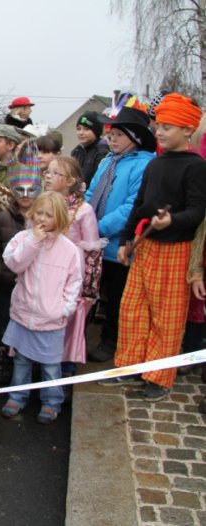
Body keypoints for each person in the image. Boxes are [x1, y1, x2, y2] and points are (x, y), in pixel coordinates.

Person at [99, 94, 206, 402]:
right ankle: (130, 365)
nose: (159, 132)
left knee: (166, 317)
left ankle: (158, 377)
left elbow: (198, 211)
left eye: (168, 127)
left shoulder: (196, 167)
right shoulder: (155, 163)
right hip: (145, 249)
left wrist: (171, 220)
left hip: (175, 250)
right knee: (132, 309)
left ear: (187, 130)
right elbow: (141, 205)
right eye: (159, 126)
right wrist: (128, 239)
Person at [0, 191, 82, 423]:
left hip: (51, 319)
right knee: (21, 360)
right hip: (24, 314)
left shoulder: (69, 250)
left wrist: (63, 309)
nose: (43, 219)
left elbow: (74, 282)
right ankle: (17, 396)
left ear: (60, 219)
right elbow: (14, 263)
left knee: (50, 365)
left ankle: (51, 401)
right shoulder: (23, 239)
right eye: (40, 213)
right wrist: (33, 241)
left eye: (49, 215)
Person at [83, 107, 156, 362]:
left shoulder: (145, 165)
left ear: (134, 138)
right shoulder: (107, 161)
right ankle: (83, 337)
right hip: (94, 242)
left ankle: (110, 341)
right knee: (91, 292)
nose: (110, 139)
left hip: (118, 246)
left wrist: (98, 227)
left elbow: (132, 206)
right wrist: (83, 219)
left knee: (117, 299)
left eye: (117, 135)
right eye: (110, 135)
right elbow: (91, 194)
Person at [44, 157, 104, 375]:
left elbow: (92, 251)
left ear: (70, 181)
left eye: (55, 173)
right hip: (46, 276)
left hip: (71, 279)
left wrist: (89, 287)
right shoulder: (43, 204)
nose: (48, 176)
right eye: (47, 172)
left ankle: (65, 371)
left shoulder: (83, 211)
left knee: (69, 326)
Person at [0, 157, 42, 381]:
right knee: (6, 326)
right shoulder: (1, 219)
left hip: (37, 288)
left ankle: (34, 369)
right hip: (8, 286)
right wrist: (7, 275)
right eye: (20, 189)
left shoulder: (45, 219)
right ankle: (5, 365)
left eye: (32, 189)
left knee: (35, 329)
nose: (26, 194)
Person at [70, 112, 109, 188]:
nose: (81, 133)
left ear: (96, 131)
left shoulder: (102, 152)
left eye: (86, 129)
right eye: (78, 129)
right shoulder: (76, 151)